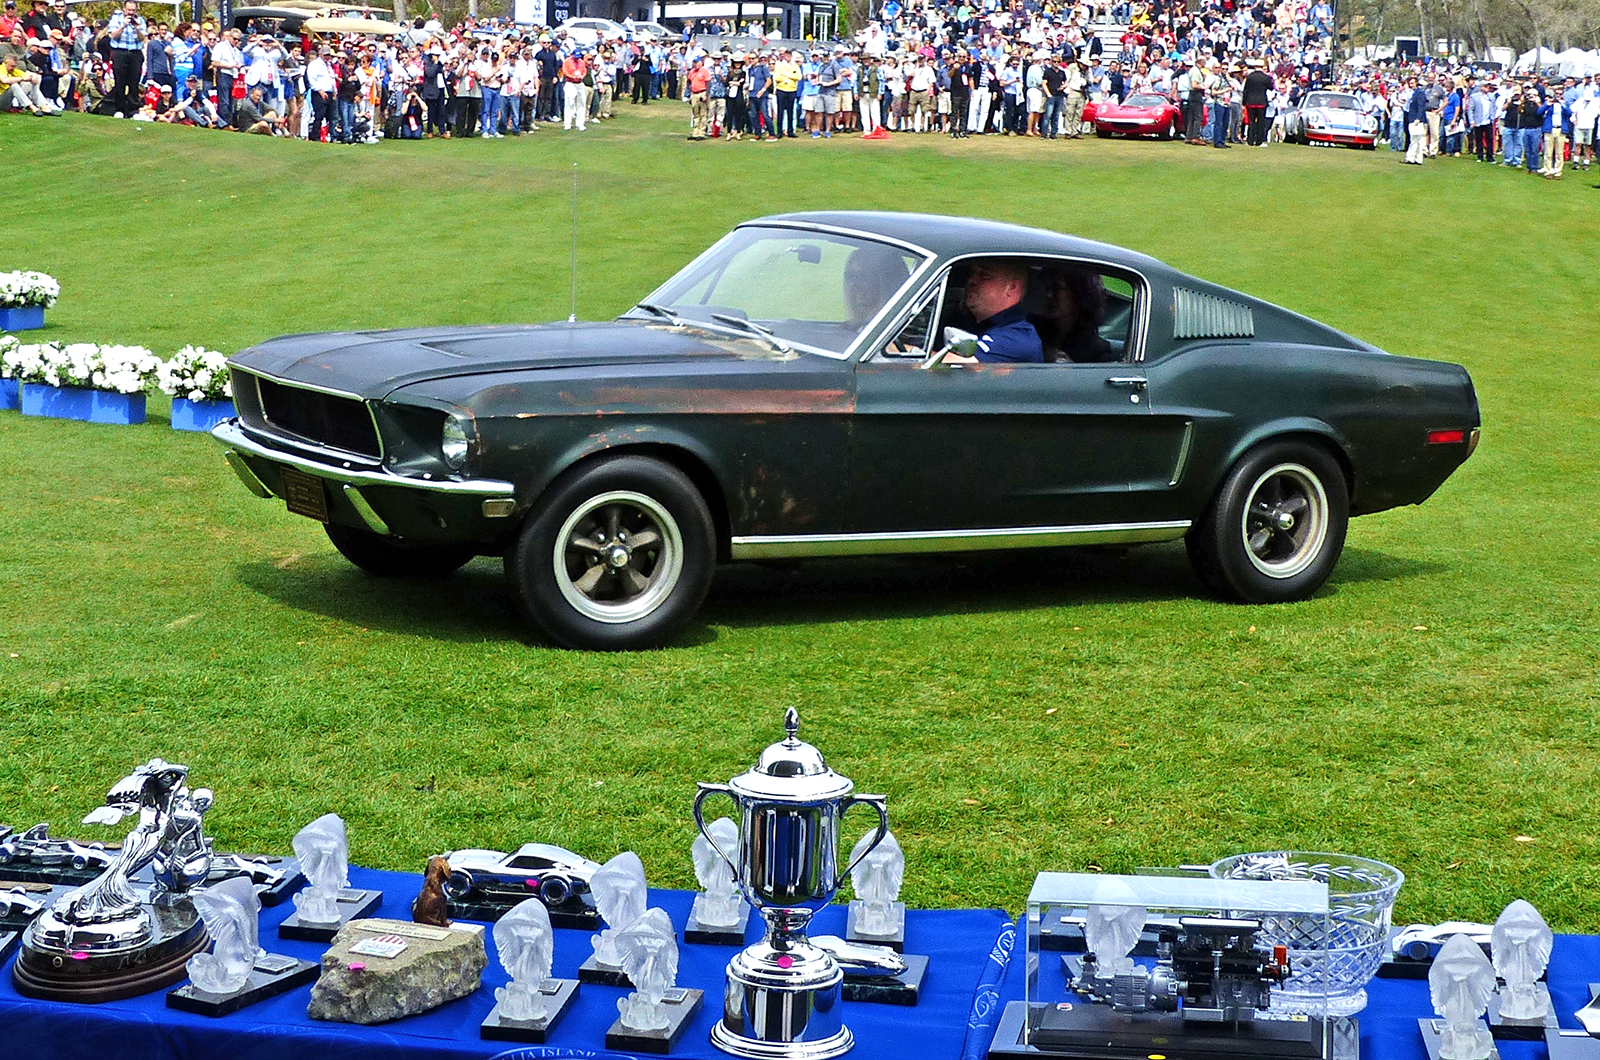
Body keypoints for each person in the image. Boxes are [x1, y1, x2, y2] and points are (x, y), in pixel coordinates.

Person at [946, 260, 1042, 365]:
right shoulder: (964, 320)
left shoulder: (1018, 338)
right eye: (972, 274)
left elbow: (952, 366)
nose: (971, 280)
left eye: (985, 276)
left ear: (1012, 287)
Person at [1036, 269, 1113, 363]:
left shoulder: (1097, 350)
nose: (1049, 294)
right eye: (1047, 288)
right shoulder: (1032, 329)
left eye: (1057, 288)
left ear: (1079, 294)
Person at [104, 0, 146, 117]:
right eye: (129, 10)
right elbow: (113, 36)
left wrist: (137, 28)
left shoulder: (140, 20)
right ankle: (120, 109)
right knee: (120, 81)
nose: (131, 13)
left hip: (135, 53)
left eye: (133, 10)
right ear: (124, 9)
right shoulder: (116, 18)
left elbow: (142, 38)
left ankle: (133, 110)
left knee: (134, 81)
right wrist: (123, 25)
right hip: (120, 52)